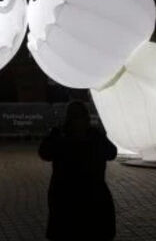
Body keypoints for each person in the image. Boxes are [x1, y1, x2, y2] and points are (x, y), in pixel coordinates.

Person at [39, 101, 117, 241]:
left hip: (67, 200)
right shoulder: (93, 137)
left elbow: (44, 153)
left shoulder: (61, 137)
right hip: (92, 199)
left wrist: (54, 134)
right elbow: (111, 153)